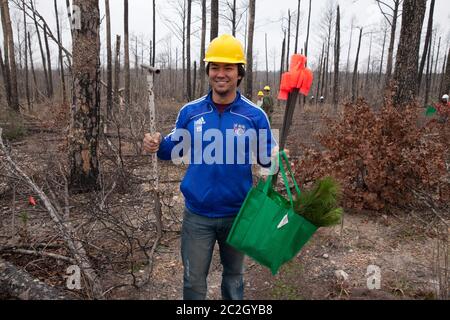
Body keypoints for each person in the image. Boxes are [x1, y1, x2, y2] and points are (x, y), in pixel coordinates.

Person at [143, 34, 277, 300]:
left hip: (239, 215)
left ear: (239, 73)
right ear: (208, 71)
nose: (221, 74)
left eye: (229, 67)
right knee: (193, 282)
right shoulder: (191, 112)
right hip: (198, 216)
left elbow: (266, 161)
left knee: (234, 279)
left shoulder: (254, 115)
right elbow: (172, 150)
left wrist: (276, 158)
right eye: (215, 67)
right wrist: (156, 143)